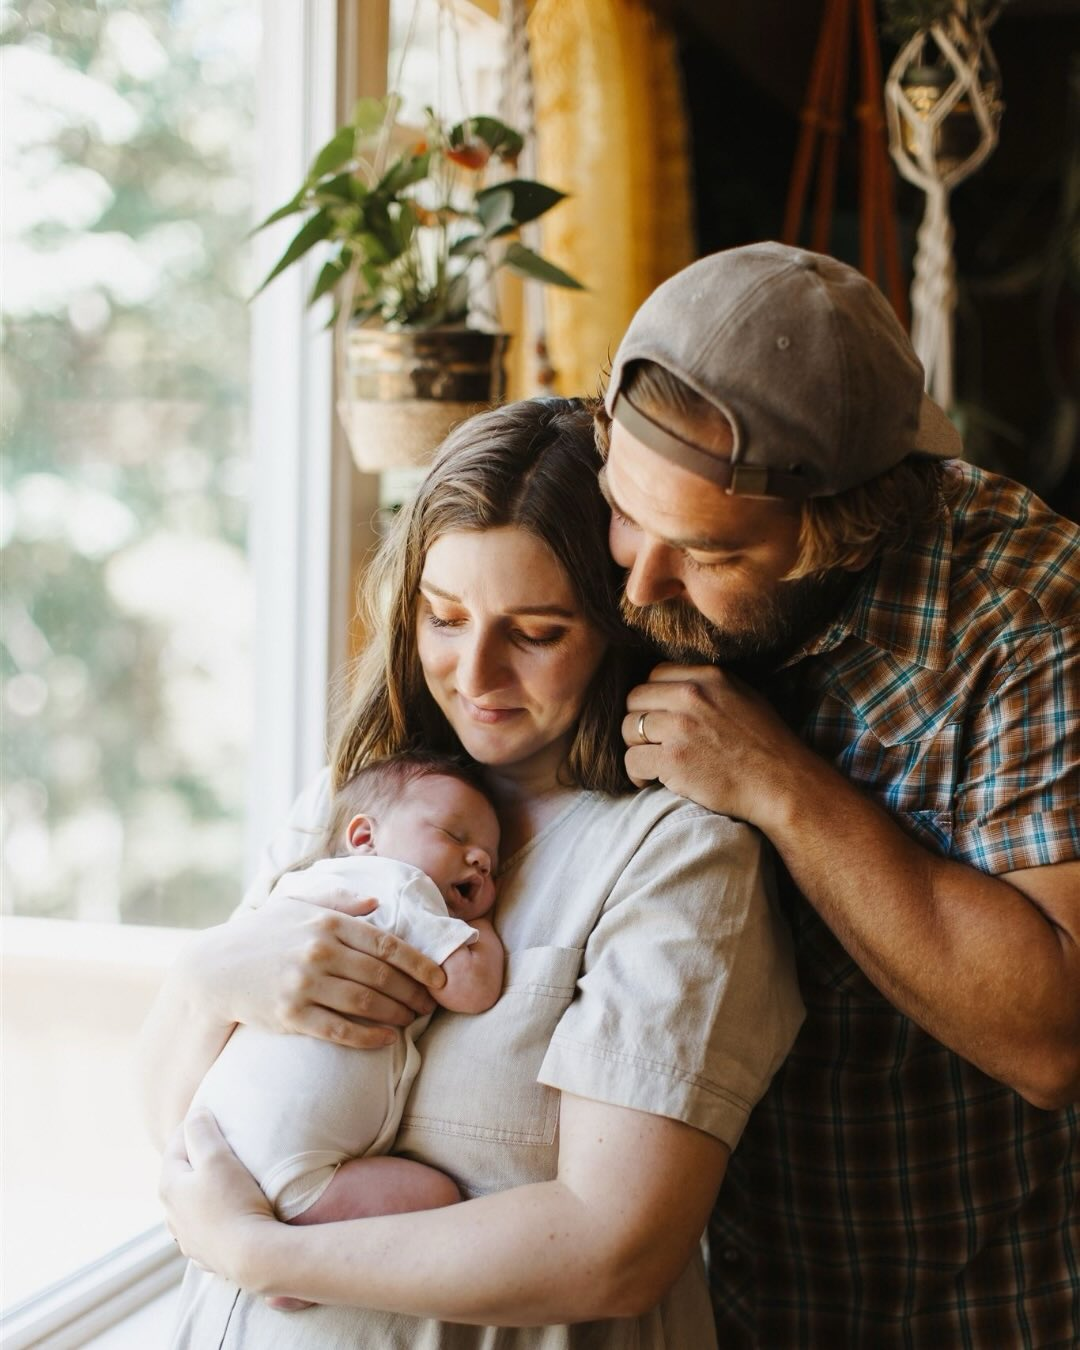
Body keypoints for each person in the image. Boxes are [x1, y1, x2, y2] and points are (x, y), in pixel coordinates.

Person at [144, 396, 805, 1348]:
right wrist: (205, 978)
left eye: (536, 633)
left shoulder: (678, 854)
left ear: (622, 627)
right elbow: (191, 1137)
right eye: (445, 618)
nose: (476, 674)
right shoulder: (357, 799)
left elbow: (618, 1247)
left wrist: (261, 1254)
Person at [595, 240, 1080, 1349]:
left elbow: (1057, 1039)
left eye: (707, 553)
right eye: (625, 511)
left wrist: (778, 785)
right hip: (698, 1303)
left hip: (969, 1305)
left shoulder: (1032, 620)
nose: (639, 584)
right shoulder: (617, 539)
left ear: (837, 536)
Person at [188, 752, 504, 1253]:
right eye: (454, 835)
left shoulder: (293, 891)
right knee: (439, 1198)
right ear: (364, 838)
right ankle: (285, 1266)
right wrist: (481, 928)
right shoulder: (398, 885)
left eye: (491, 859)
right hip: (298, 1171)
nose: (480, 860)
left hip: (225, 1143)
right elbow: (472, 988)